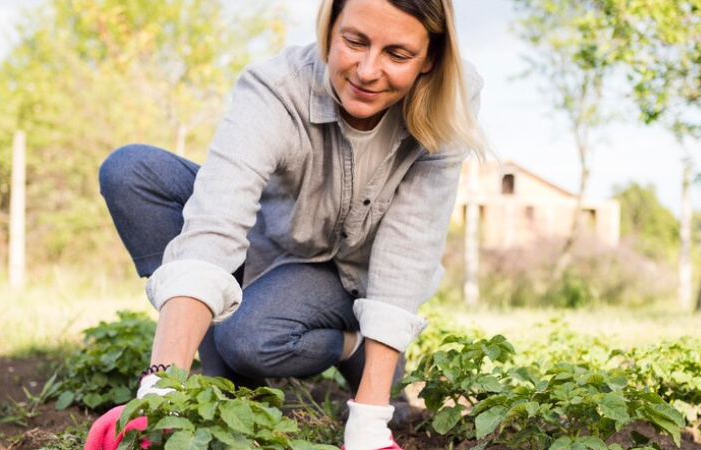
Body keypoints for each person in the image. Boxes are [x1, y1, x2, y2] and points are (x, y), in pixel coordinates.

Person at [87, 0, 484, 448]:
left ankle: (354, 347)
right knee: (132, 171)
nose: (368, 70)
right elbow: (216, 220)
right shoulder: (276, 87)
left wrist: (370, 420)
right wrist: (160, 388)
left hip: (353, 271)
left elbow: (407, 249)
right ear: (330, 27)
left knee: (248, 338)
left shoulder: (450, 98)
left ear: (430, 56)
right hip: (276, 239)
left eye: (397, 54)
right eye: (354, 41)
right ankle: (223, 389)